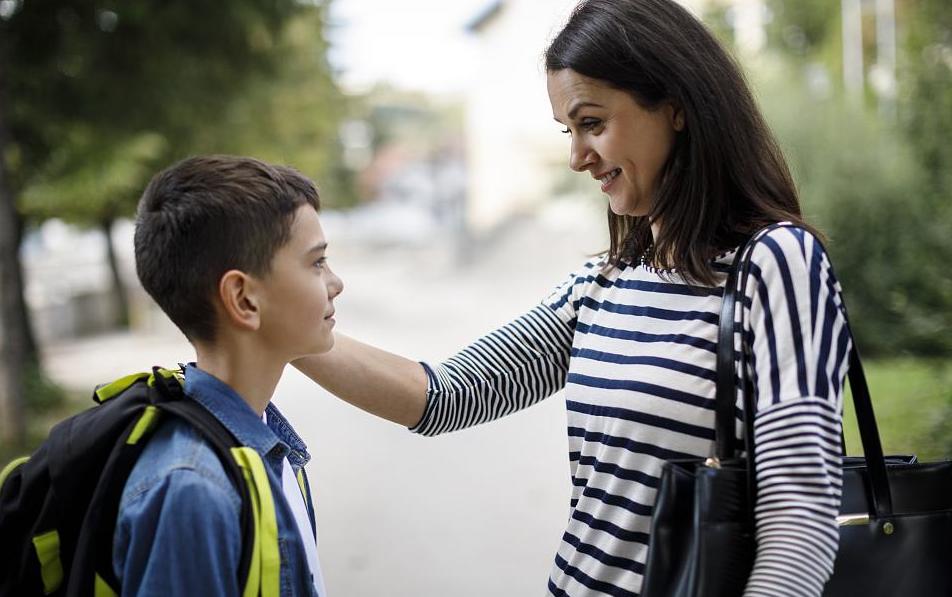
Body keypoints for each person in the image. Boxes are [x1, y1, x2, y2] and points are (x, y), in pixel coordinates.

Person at [295, 0, 850, 595]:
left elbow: (801, 523)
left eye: (593, 124)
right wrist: (285, 333)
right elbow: (446, 395)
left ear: (676, 108)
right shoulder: (605, 281)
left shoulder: (775, 265)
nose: (577, 157)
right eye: (569, 130)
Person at [118, 155, 343, 595]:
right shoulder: (193, 490)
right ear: (243, 299)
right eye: (317, 263)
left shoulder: (265, 438)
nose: (336, 283)